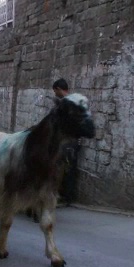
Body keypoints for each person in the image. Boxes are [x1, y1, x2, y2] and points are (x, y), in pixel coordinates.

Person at [53, 78, 78, 207]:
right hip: (72, 139)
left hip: (66, 140)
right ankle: (67, 196)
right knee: (69, 167)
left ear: (58, 89)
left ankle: (63, 196)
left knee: (61, 167)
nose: (54, 94)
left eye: (55, 91)